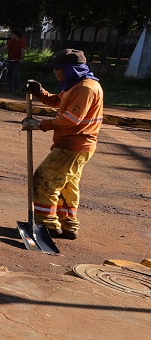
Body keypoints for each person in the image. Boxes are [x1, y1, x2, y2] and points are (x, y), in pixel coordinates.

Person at [22, 48, 104, 240]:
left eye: (56, 68)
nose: (54, 72)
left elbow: (71, 119)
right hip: (75, 145)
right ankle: (68, 225)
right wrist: (40, 93)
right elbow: (60, 102)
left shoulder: (86, 88)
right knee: (67, 186)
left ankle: (46, 225)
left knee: (44, 181)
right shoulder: (76, 85)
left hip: (73, 145)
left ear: (67, 69)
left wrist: (41, 124)